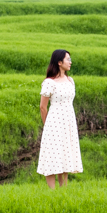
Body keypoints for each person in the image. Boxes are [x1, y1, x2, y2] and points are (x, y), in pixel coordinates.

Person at [37, 49, 83, 189]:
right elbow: (42, 107)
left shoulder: (70, 81)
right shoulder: (49, 82)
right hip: (54, 123)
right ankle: (52, 191)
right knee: (52, 155)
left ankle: (64, 189)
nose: (70, 62)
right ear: (59, 62)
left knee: (65, 153)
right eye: (67, 59)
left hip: (68, 122)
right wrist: (47, 126)